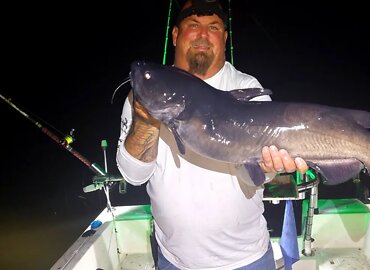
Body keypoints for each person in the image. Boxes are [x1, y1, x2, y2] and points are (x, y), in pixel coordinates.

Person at [116, 0, 308, 269]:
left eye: (214, 27)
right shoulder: (145, 93)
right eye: (193, 25)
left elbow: (252, 176)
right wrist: (146, 121)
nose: (203, 35)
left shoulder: (246, 87)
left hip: (247, 259)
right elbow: (133, 176)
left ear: (225, 37)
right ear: (175, 35)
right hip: (175, 260)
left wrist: (267, 167)